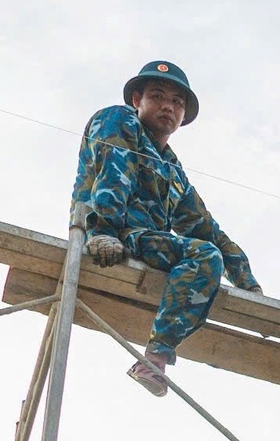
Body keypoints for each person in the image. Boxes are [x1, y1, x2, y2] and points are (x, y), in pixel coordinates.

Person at [71, 61, 262, 396]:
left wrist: (248, 285)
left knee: (207, 254)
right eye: (157, 96)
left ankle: (154, 358)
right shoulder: (118, 119)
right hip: (108, 230)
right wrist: (104, 231)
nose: (168, 107)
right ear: (137, 99)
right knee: (204, 254)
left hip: (142, 241)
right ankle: (155, 360)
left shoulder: (171, 168)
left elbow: (205, 228)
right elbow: (113, 172)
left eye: (177, 102)